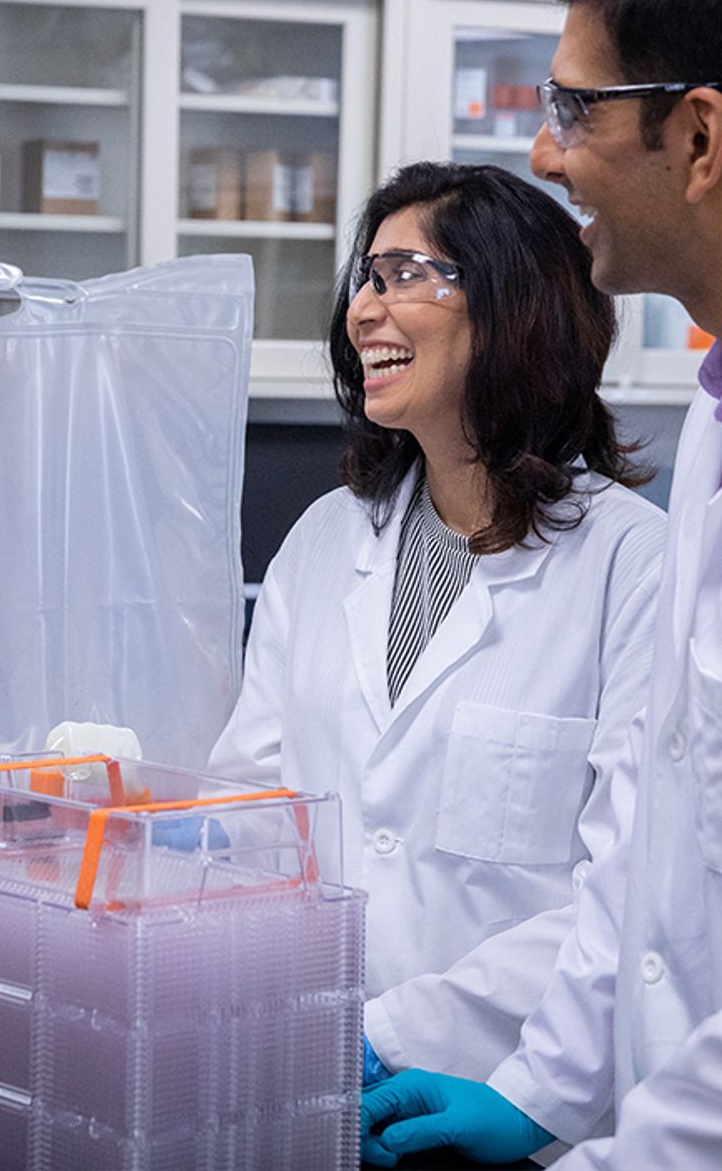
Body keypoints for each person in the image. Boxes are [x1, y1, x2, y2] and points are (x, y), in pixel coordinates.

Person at [360, 0, 722, 1168]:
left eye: (574, 111)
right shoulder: (712, 428)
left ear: (701, 137)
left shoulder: (629, 547)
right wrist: (548, 1095)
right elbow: (650, 833)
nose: (545, 154)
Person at [207, 160, 666, 1090]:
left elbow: (633, 884)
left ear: (513, 303)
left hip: (523, 1090)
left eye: (405, 275)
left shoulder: (635, 563)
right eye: (364, 280)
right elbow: (250, 807)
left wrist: (403, 1037)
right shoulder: (328, 539)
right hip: (309, 1071)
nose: (364, 311)